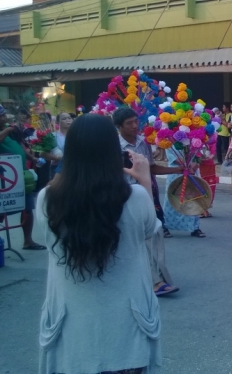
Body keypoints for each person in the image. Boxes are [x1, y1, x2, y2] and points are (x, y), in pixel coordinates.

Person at [37, 113, 162, 374]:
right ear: (112, 151)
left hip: (72, 336)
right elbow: (150, 230)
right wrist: (145, 180)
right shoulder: (135, 197)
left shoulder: (48, 199)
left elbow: (44, 241)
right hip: (126, 335)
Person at [115, 107, 181, 295]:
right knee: (138, 238)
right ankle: (154, 281)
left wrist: (177, 170)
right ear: (119, 126)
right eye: (129, 123)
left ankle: (157, 279)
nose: (135, 126)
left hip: (145, 194)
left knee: (153, 235)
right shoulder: (114, 146)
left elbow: (151, 168)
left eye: (136, 121)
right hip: (123, 196)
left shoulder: (143, 143)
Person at [0, 105, 45, 250]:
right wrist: (7, 130)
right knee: (0, 210)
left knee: (27, 207)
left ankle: (28, 240)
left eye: (4, 115)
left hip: (21, 174)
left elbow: (20, 148)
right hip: (4, 178)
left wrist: (34, 158)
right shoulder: (5, 131)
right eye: (1, 116)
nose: (4, 118)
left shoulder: (9, 131)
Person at [162, 147, 206, 238]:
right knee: (172, 199)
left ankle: (195, 227)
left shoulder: (194, 136)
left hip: (192, 170)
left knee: (194, 198)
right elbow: (172, 156)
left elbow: (199, 151)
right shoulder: (169, 137)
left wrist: (195, 163)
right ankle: (165, 226)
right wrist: (186, 165)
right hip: (176, 171)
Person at [51, 112, 72, 179]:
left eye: (69, 118)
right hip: (57, 167)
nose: (68, 120)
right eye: (64, 118)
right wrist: (57, 158)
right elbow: (43, 153)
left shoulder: (76, 135)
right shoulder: (53, 136)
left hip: (73, 167)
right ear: (57, 122)